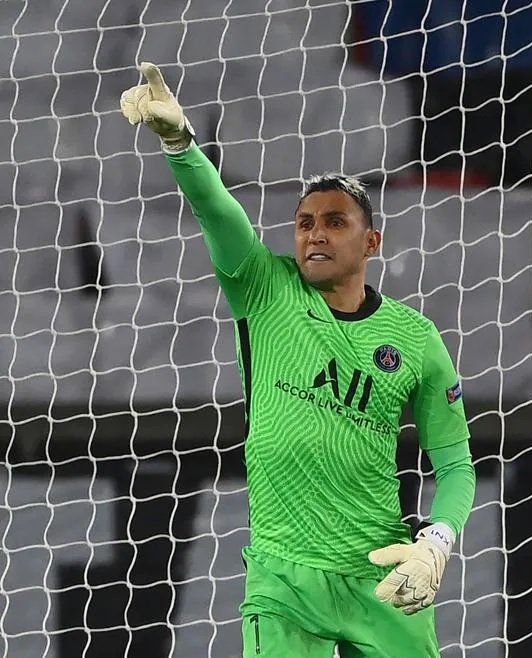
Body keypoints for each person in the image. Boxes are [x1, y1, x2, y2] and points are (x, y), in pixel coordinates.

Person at [120, 62, 476, 658]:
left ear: (371, 241)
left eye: (335, 222)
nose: (315, 234)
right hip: (284, 577)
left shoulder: (415, 338)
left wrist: (436, 544)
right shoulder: (262, 287)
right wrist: (180, 145)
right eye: (305, 223)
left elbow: (456, 464)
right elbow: (217, 210)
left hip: (382, 574)